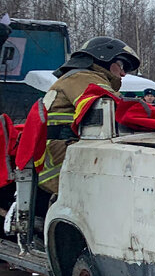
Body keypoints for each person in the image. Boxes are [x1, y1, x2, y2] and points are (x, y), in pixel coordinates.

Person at [38, 36, 141, 194]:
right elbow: (114, 106)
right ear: (104, 59)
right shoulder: (82, 78)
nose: (123, 73)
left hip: (59, 154)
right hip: (63, 159)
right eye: (121, 65)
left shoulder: (76, 77)